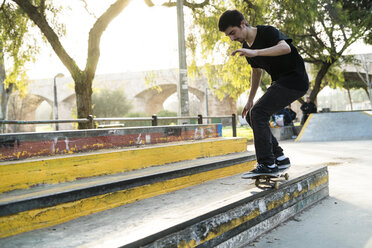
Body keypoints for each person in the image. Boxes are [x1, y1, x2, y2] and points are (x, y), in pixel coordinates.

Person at [218, 10, 309, 175]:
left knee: (259, 113)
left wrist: (256, 52)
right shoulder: (246, 48)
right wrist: (250, 100)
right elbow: (256, 72)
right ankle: (279, 158)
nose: (232, 38)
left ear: (243, 24)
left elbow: (285, 48)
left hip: (295, 80)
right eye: (228, 36)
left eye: (233, 33)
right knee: (251, 114)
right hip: (281, 83)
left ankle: (267, 164)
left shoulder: (267, 32)